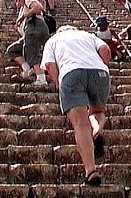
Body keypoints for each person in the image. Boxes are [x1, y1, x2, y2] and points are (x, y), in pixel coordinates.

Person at [41, 25, 111, 186]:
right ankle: (97, 129)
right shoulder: (87, 35)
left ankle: (91, 171)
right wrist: (104, 67)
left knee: (80, 123)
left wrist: (59, 84)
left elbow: (50, 65)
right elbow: (105, 49)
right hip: (99, 72)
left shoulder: (53, 40)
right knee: (97, 111)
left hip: (71, 72)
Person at [6, 0, 49, 85]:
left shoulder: (28, 0)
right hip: (29, 32)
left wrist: (23, 17)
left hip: (35, 28)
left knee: (31, 50)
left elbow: (38, 8)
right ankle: (27, 69)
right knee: (12, 50)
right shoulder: (22, 10)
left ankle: (41, 78)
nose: (16, 2)